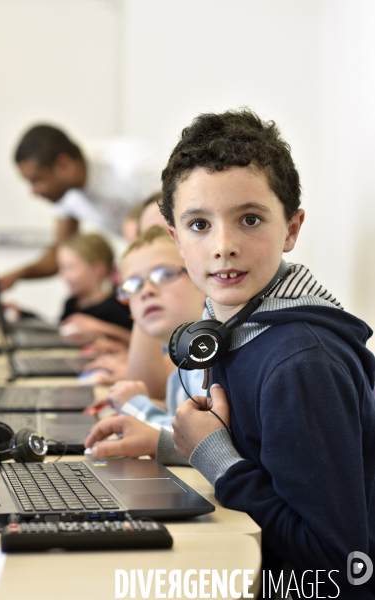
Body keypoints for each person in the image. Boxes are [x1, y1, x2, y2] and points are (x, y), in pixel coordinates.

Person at [156, 108, 375, 598]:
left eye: (249, 219)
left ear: (292, 228)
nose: (224, 246)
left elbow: (341, 571)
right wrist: (168, 444)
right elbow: (267, 449)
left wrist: (213, 455)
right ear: (176, 238)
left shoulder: (300, 363)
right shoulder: (243, 329)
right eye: (198, 224)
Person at [84, 225, 206, 459]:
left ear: (204, 280)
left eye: (165, 274)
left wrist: (136, 406)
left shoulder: (209, 359)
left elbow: (199, 442)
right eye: (133, 285)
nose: (146, 291)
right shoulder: (185, 360)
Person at [0, 125, 160, 291]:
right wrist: (16, 276)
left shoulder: (131, 166)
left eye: (37, 181)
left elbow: (173, 221)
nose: (33, 191)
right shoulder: (64, 192)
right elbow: (59, 253)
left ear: (63, 165)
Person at [57, 232, 132, 348]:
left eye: (70, 268)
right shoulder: (71, 304)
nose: (63, 275)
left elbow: (136, 341)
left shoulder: (117, 306)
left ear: (97, 269)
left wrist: (99, 328)